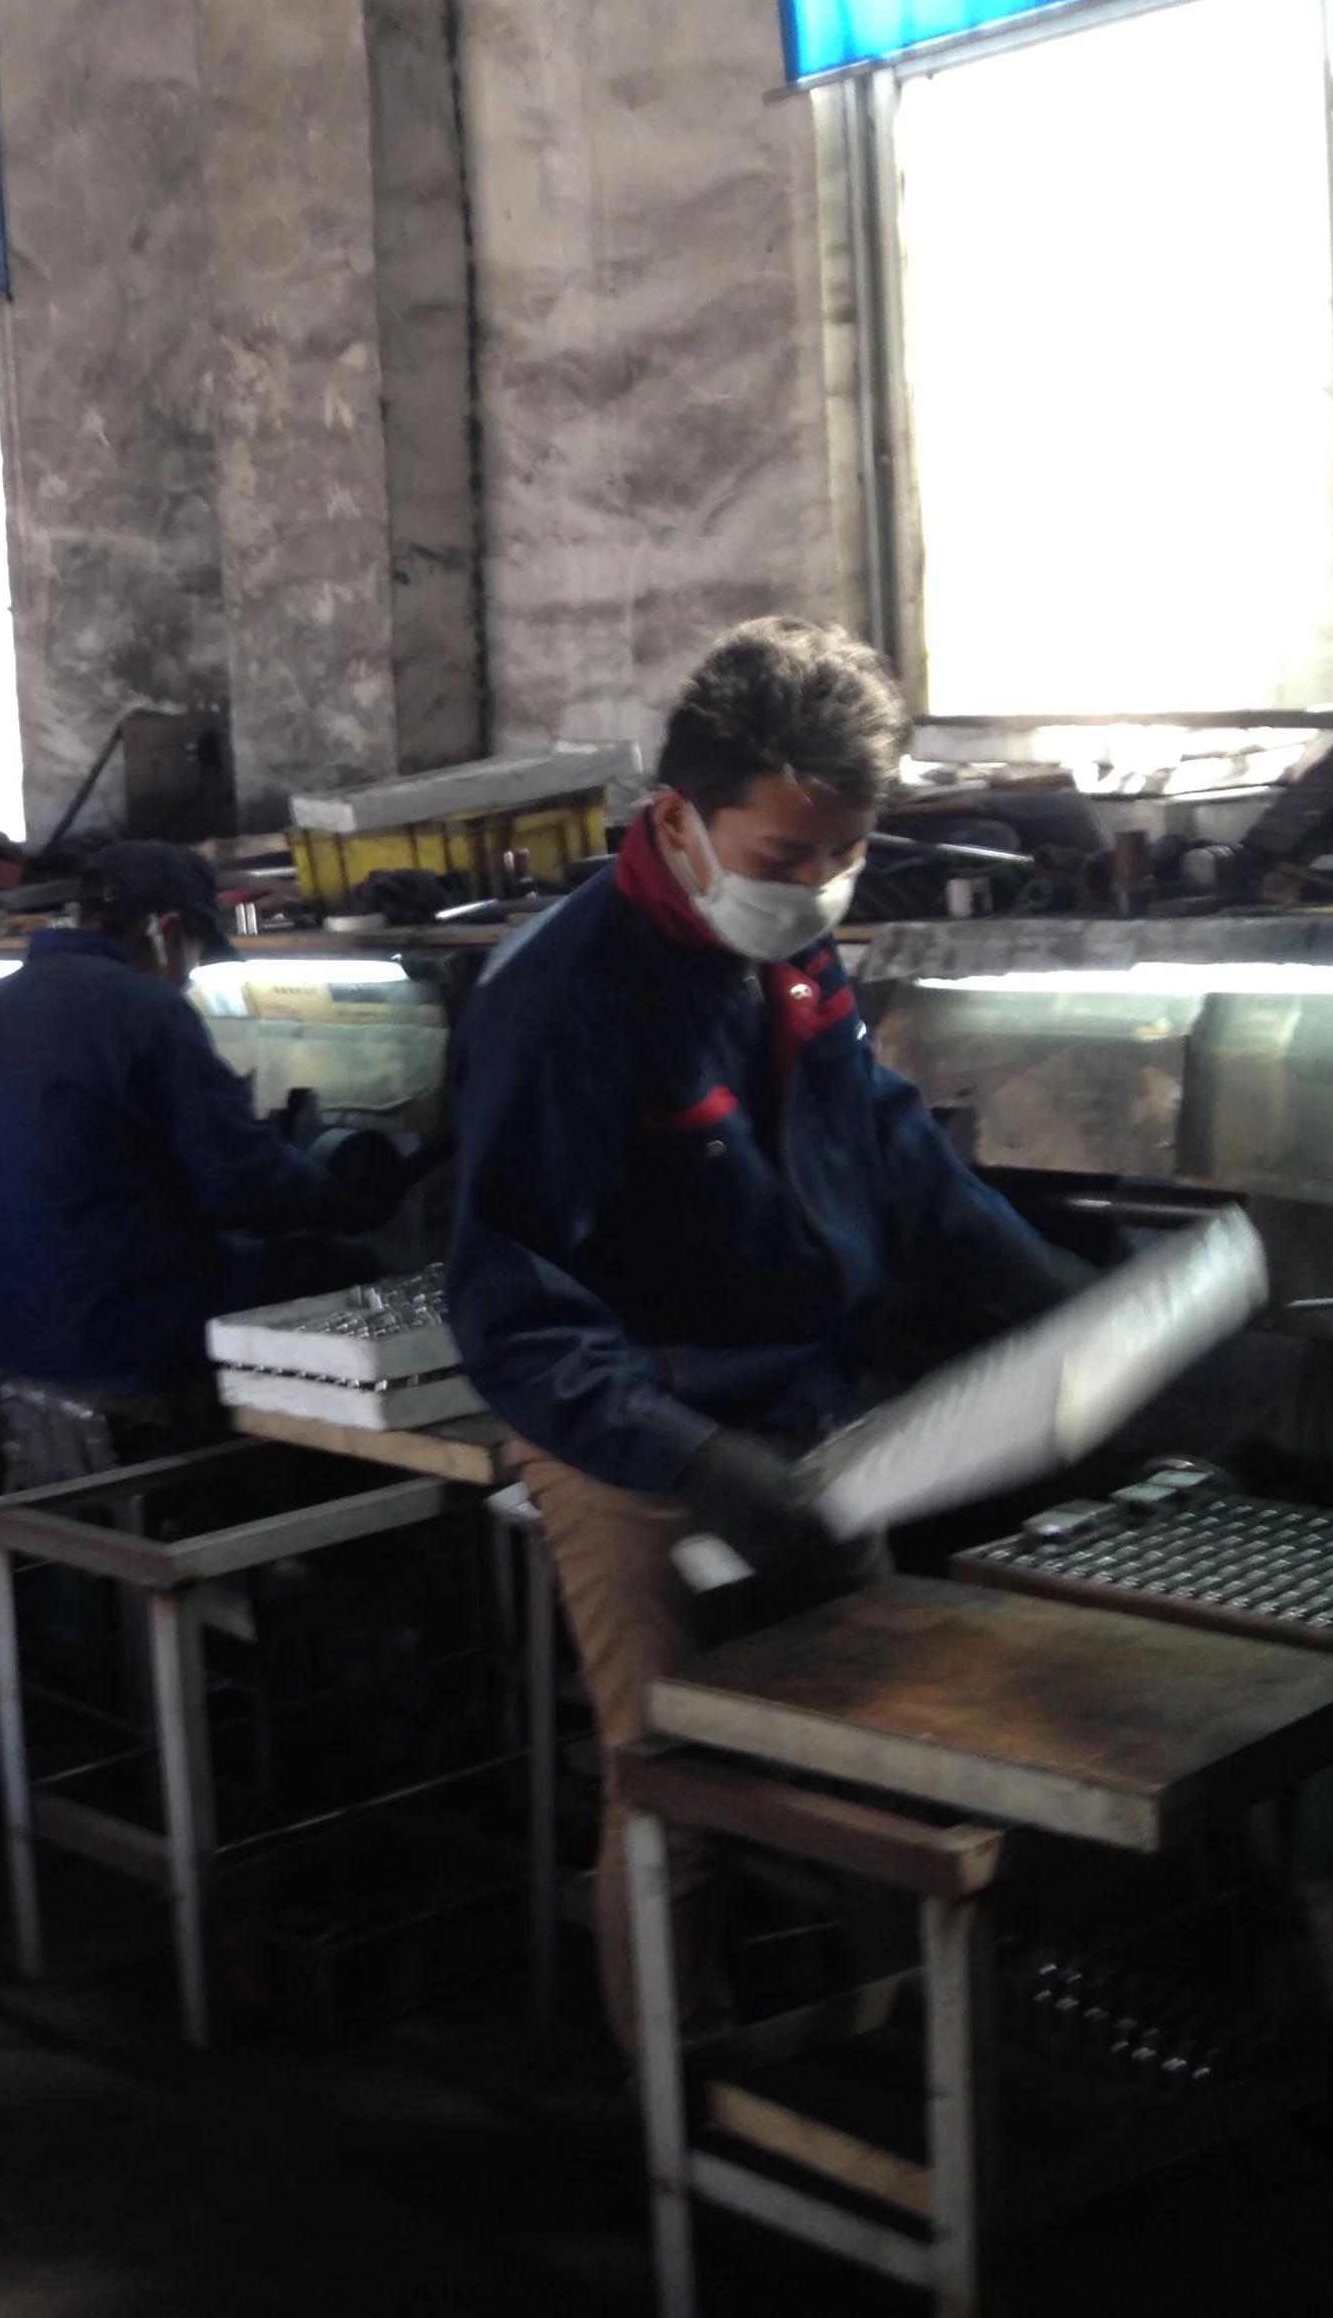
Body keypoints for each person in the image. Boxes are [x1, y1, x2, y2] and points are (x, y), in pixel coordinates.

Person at [447, 615, 1085, 2048]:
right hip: (638, 1442)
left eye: (842, 857)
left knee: (874, 1747)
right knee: (680, 1783)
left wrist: (1034, 1275)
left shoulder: (791, 953)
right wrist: (690, 1456)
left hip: (812, 1418)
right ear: (679, 818)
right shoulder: (563, 1004)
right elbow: (512, 1305)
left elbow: (885, 1141)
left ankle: (913, 2068)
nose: (815, 889)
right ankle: (686, 2114)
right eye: (785, 856)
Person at [0, 839, 399, 1400]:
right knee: (348, 1272)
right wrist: (332, 1200)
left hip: (3, 1328)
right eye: (196, 956)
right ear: (166, 930)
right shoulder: (144, 1006)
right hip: (119, 1330)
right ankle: (308, 1451)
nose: (189, 977)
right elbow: (235, 1183)